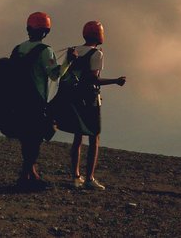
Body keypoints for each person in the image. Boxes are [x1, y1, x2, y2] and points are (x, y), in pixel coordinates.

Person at [14, 12, 74, 190]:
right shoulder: (45, 51)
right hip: (36, 101)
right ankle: (27, 176)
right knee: (35, 138)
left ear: (28, 28)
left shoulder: (18, 49)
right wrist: (68, 61)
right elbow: (55, 75)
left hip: (19, 101)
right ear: (46, 32)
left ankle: (29, 174)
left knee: (26, 138)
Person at [67, 21, 126, 190]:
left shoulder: (74, 51)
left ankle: (75, 176)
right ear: (100, 36)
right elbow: (94, 78)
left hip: (75, 97)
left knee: (78, 137)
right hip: (90, 98)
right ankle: (89, 178)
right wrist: (115, 81)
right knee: (94, 138)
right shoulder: (97, 54)